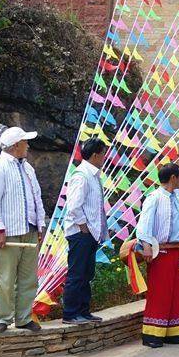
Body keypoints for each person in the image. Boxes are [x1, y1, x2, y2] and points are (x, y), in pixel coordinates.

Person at [0, 127, 46, 333]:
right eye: (25, 142)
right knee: (6, 278)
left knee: (29, 278)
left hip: (29, 229)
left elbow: (37, 198)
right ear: (16, 145)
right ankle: (2, 318)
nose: (28, 145)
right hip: (8, 232)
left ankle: (23, 317)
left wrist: (40, 225)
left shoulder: (28, 168)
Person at [135, 164, 179, 348]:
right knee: (160, 292)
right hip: (161, 252)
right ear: (173, 177)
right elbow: (144, 224)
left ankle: (174, 332)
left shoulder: (178, 200)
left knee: (177, 292)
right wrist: (146, 245)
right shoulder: (154, 198)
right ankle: (153, 334)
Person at [62, 137, 110, 324]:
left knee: (87, 273)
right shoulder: (81, 175)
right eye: (103, 154)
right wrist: (83, 227)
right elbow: (74, 206)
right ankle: (70, 313)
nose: (105, 157)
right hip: (81, 232)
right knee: (77, 273)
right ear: (96, 155)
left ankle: (83, 310)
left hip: (91, 232)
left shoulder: (94, 175)